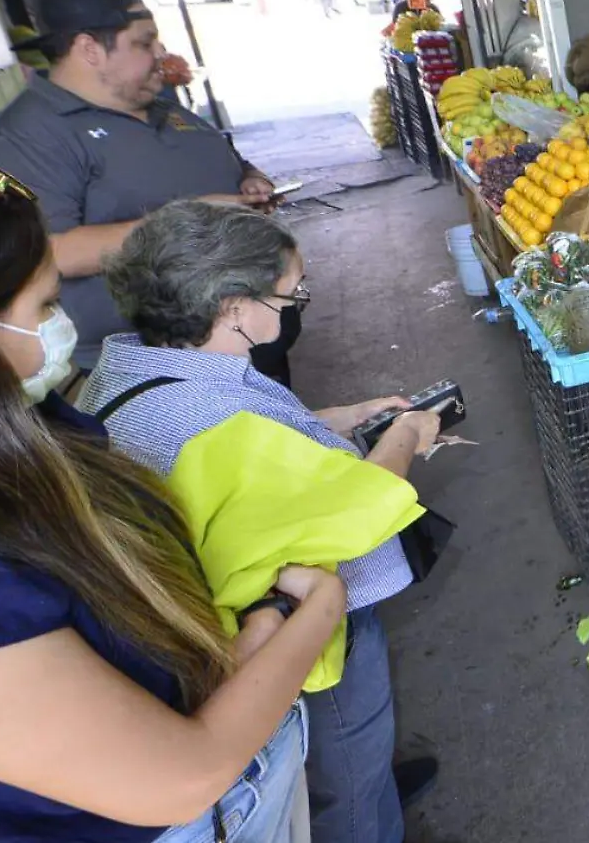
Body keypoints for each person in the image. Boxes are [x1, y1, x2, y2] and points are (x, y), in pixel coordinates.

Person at [0, 148, 346, 842]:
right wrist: (317, 611)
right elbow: (182, 777)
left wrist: (254, 632)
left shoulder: (11, 425)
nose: (65, 329)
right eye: (45, 305)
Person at [79, 201, 442, 843]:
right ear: (234, 308)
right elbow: (360, 504)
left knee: (343, 759)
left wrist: (343, 418)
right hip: (299, 625)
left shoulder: (133, 368)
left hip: (225, 617)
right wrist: (408, 434)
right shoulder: (213, 418)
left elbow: (259, 432)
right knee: (347, 756)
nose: (296, 306)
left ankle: (368, 788)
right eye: (289, 295)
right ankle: (365, 816)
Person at [0, 0, 301, 383]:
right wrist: (192, 218)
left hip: (246, 330)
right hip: (155, 367)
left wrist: (250, 180)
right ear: (89, 49)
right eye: (144, 43)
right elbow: (49, 252)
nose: (160, 53)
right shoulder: (29, 134)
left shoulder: (163, 106)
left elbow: (229, 161)